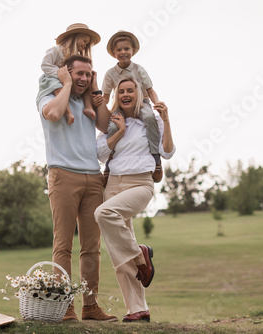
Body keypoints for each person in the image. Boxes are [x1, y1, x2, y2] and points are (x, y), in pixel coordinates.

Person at [37, 54, 117, 322]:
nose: (83, 78)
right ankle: (65, 307)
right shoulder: (50, 95)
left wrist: (96, 92)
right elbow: (54, 114)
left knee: (91, 247)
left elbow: (105, 126)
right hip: (63, 175)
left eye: (88, 74)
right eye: (78, 74)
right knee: (63, 245)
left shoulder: (88, 104)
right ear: (66, 74)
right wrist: (66, 85)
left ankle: (90, 307)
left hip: (93, 177)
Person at [94, 77, 175, 322]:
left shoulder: (151, 122)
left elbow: (168, 151)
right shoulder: (112, 122)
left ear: (138, 95)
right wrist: (119, 131)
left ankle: (141, 256)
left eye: (131, 90)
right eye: (122, 91)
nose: (126, 94)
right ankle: (137, 309)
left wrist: (167, 120)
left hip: (140, 183)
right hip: (113, 184)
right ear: (117, 96)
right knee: (118, 254)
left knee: (103, 214)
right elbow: (99, 153)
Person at [101, 31, 163, 182]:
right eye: (119, 50)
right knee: (113, 127)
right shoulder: (110, 74)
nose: (123, 52)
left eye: (126, 49)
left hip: (141, 103)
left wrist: (158, 105)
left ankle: (156, 158)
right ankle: (109, 161)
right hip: (120, 105)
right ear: (114, 53)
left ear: (132, 51)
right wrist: (104, 113)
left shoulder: (139, 69)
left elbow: (150, 90)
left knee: (149, 118)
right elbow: (106, 97)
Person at [36, 23, 101, 125]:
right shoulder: (57, 50)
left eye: (87, 44)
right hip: (53, 77)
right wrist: (61, 73)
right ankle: (68, 112)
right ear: (75, 38)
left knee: (86, 84)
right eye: (84, 41)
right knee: (57, 86)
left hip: (67, 79)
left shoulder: (77, 57)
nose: (85, 45)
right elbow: (45, 65)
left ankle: (88, 107)